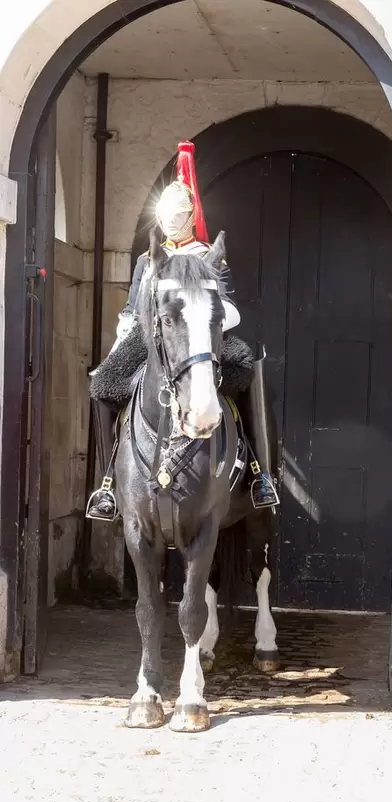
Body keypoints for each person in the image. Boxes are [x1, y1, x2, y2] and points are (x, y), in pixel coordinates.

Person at [86, 140, 279, 521]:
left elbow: (232, 306)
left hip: (203, 336)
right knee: (101, 381)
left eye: (179, 215)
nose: (172, 221)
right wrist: (126, 331)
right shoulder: (147, 260)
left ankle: (260, 472)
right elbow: (130, 307)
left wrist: (208, 319)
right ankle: (107, 481)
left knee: (248, 371)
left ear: (191, 216)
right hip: (151, 337)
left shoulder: (207, 255)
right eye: (167, 215)